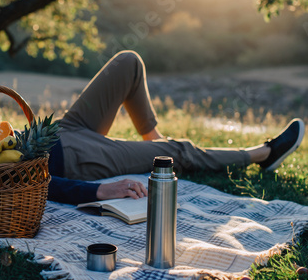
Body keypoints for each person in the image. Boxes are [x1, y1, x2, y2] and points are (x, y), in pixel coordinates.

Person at [46, 50, 305, 205]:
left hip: (59, 131)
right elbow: (25, 182)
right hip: (72, 158)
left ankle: (153, 140)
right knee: (178, 151)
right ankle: (263, 154)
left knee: (128, 63)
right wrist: (100, 190)